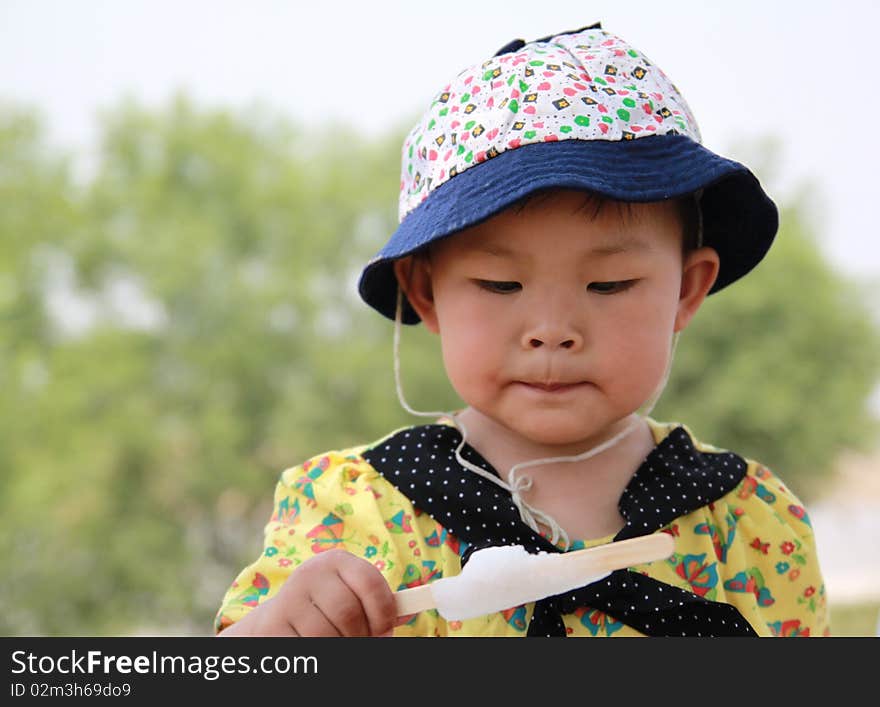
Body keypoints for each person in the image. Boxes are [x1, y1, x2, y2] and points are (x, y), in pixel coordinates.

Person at [214, 22, 829, 637]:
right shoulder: (354, 516)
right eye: (501, 285)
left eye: (609, 285)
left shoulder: (749, 520)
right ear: (425, 292)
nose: (553, 332)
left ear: (686, 290)